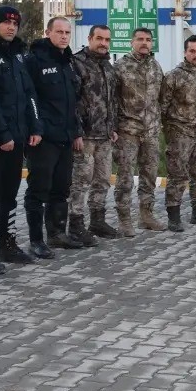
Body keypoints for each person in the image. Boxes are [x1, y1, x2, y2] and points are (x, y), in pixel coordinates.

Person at [0, 5, 42, 267]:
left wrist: (35, 127)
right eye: (5, 23)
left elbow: (29, 94)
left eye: (15, 23)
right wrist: (1, 134)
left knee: (9, 194)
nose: (11, 27)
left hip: (17, 137)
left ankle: (7, 242)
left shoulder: (17, 54)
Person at [24, 17, 83, 253]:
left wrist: (76, 131)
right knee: (39, 188)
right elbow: (29, 99)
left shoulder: (68, 60)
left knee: (61, 188)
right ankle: (36, 240)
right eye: (59, 31)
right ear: (47, 32)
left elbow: (73, 102)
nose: (64, 36)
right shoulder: (34, 60)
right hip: (44, 138)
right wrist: (35, 128)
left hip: (65, 136)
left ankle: (57, 233)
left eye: (67, 32)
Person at [113, 27, 166, 235]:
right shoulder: (120, 66)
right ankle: (124, 218)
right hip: (128, 131)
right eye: (140, 39)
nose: (144, 43)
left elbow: (161, 97)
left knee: (149, 174)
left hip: (151, 131)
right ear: (131, 42)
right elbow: (112, 99)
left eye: (148, 40)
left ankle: (146, 215)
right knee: (125, 176)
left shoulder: (155, 66)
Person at [67, 25, 116, 248]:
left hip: (105, 135)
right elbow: (72, 101)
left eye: (107, 40)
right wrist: (76, 131)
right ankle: (76, 225)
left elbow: (111, 100)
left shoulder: (108, 66)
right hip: (85, 136)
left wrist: (112, 127)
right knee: (81, 182)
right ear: (89, 39)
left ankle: (97, 220)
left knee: (102, 180)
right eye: (99, 38)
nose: (103, 43)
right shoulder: (76, 63)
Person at [160, 35, 196, 230]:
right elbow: (163, 107)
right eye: (192, 51)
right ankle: (173, 215)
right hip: (180, 134)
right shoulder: (173, 76)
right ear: (185, 52)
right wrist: (171, 132)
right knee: (177, 175)